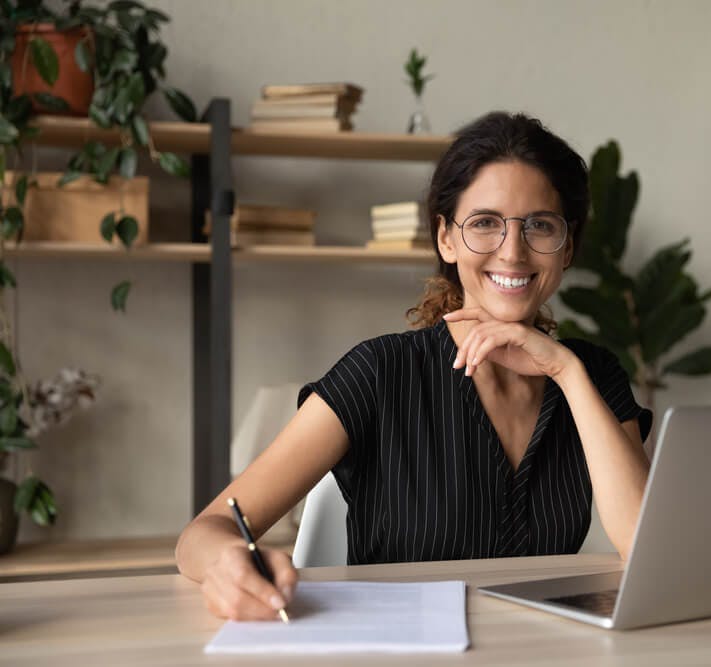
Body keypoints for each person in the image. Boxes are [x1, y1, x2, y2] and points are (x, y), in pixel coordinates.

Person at [175, 111, 653, 621]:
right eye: (485, 223)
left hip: (536, 651)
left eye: (539, 225)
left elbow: (645, 548)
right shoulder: (380, 373)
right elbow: (201, 535)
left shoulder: (592, 375)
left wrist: (568, 374)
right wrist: (229, 563)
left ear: (567, 246)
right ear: (445, 238)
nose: (512, 252)